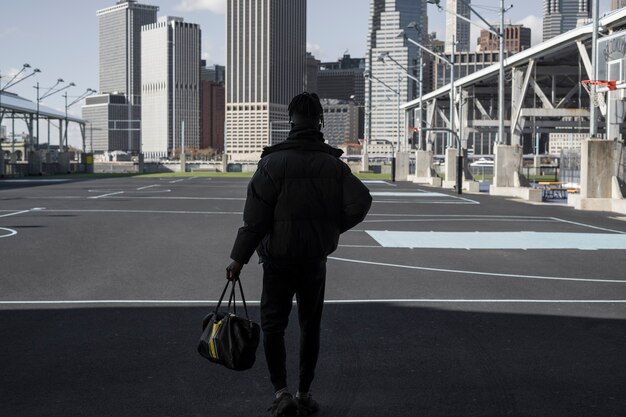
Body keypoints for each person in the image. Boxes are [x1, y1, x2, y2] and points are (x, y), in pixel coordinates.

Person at [226, 92, 372, 417]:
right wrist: (330, 229)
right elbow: (361, 201)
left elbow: (255, 220)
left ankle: (281, 393)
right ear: (320, 120)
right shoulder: (333, 166)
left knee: (273, 326)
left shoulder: (271, 164)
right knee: (310, 325)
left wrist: (238, 258)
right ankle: (304, 393)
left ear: (290, 121)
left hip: (277, 260)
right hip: (313, 259)